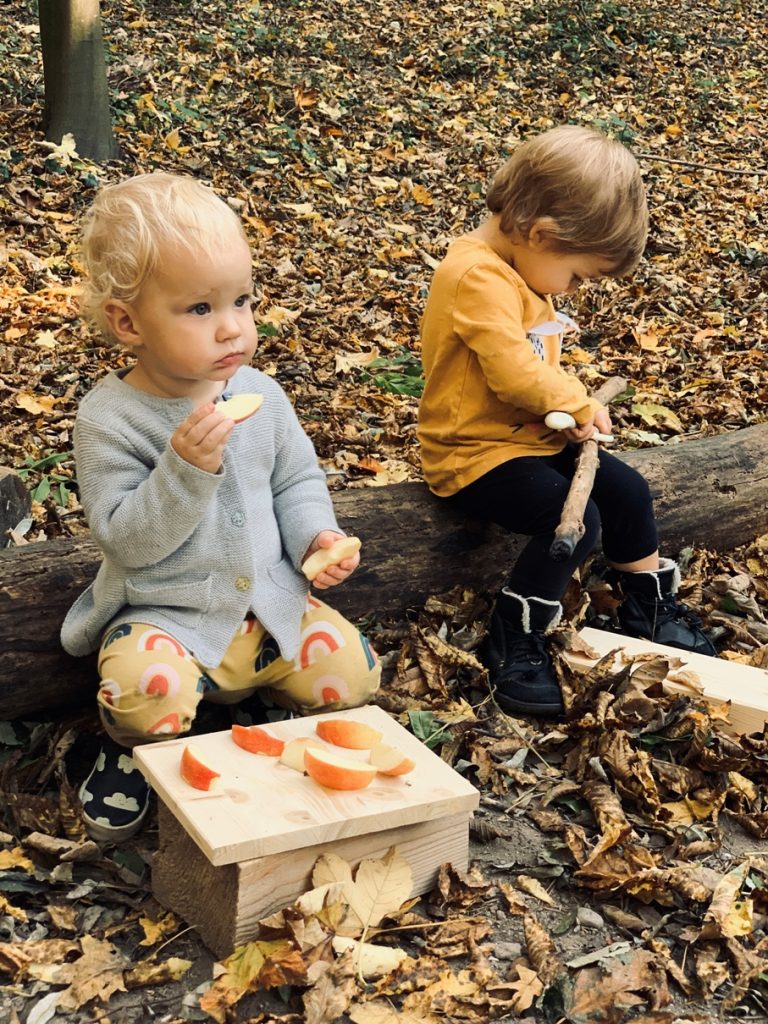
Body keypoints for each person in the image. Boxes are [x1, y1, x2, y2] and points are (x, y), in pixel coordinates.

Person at [62, 172, 380, 841]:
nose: (232, 327)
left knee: (355, 674)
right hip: (167, 617)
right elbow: (125, 540)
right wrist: (183, 470)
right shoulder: (110, 419)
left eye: (242, 300)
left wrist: (316, 540)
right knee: (144, 691)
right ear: (128, 322)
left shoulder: (262, 394)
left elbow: (295, 481)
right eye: (200, 309)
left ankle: (257, 713)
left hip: (269, 611)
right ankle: (127, 749)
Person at [417, 124, 715, 719]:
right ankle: (515, 634)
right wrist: (577, 402)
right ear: (542, 234)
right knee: (574, 520)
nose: (574, 289)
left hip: (530, 438)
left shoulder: (519, 266)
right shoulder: (477, 276)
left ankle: (647, 607)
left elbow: (527, 361)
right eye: (578, 275)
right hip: (474, 452)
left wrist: (564, 405)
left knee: (627, 490)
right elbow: (512, 372)